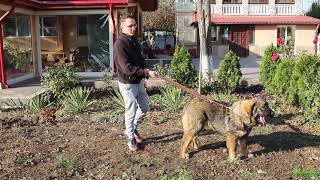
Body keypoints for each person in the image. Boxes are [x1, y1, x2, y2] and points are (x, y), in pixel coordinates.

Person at [113, 14, 158, 151]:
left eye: (134, 25)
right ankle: (130, 137)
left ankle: (132, 129)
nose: (133, 28)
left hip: (138, 81)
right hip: (128, 83)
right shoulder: (120, 44)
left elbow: (140, 59)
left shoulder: (134, 41)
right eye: (130, 26)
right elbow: (127, 68)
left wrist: (147, 69)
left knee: (144, 107)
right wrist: (145, 72)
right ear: (122, 27)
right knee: (130, 111)